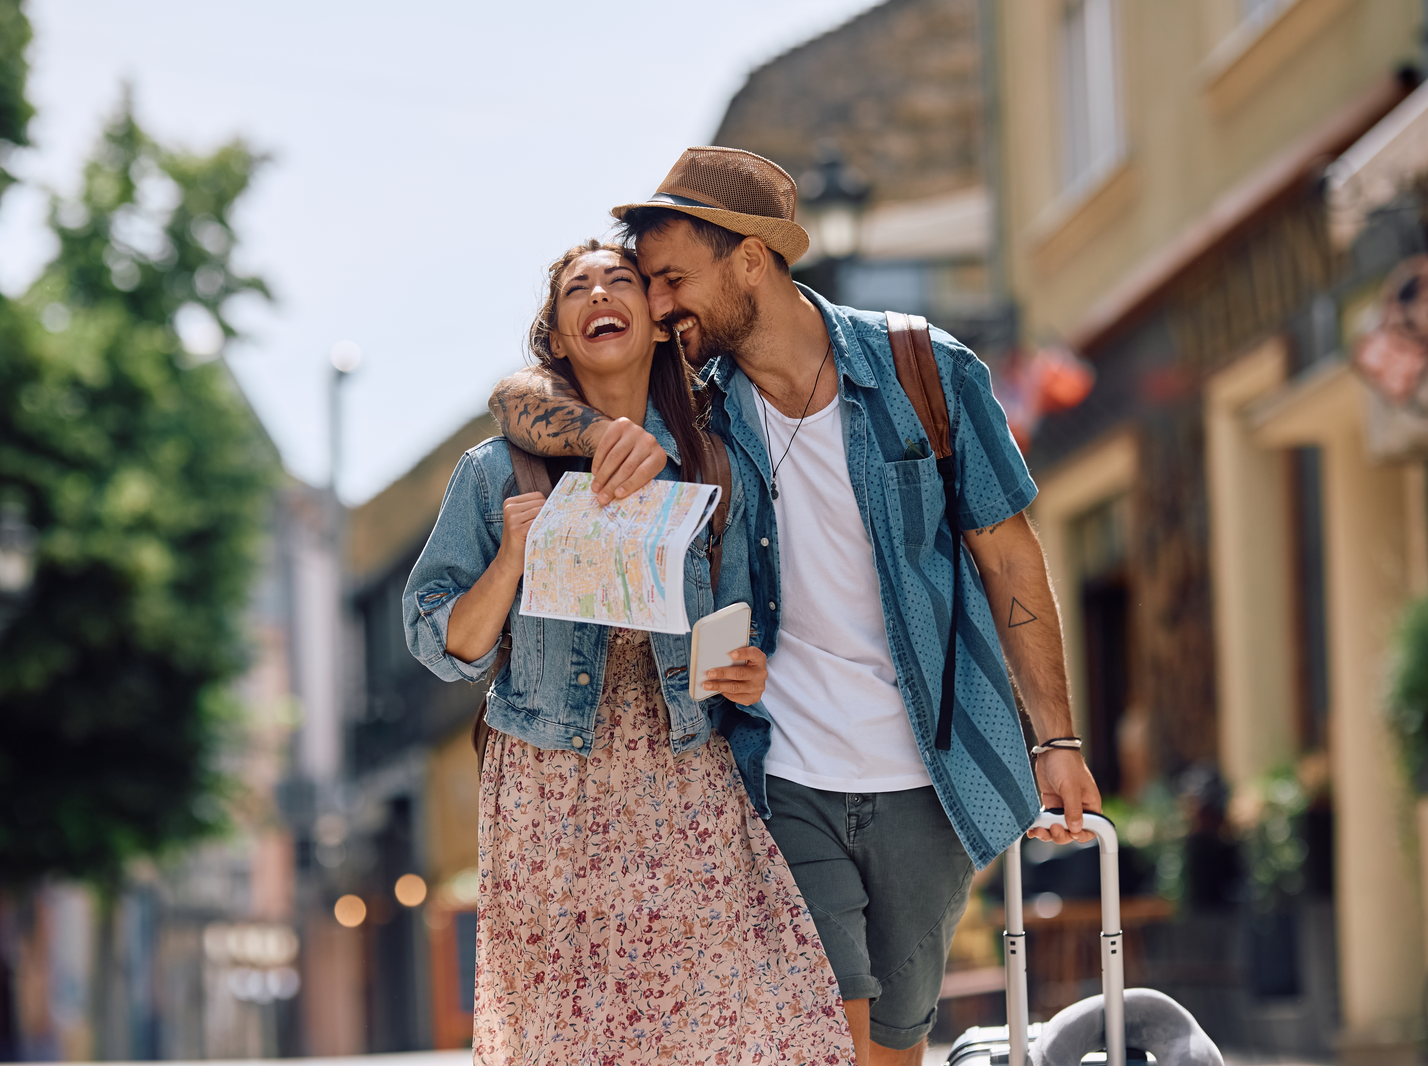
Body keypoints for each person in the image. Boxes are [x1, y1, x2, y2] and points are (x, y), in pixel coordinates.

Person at [490, 148, 1104, 1066]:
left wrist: (1054, 738)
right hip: (775, 774)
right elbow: (519, 393)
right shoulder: (693, 406)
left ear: (749, 259)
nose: (657, 305)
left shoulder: (924, 373)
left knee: (895, 1044)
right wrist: (599, 432)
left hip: (930, 773)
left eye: (671, 279)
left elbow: (1008, 555)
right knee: (823, 1037)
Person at [403, 240, 855, 1065]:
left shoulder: (715, 457)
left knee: (726, 1016)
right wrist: (512, 558)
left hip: (682, 764)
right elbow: (441, 643)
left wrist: (747, 668)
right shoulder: (496, 470)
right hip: (548, 779)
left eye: (620, 280)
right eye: (577, 288)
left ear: (653, 322)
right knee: (568, 1029)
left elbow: (751, 617)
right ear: (561, 337)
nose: (600, 294)